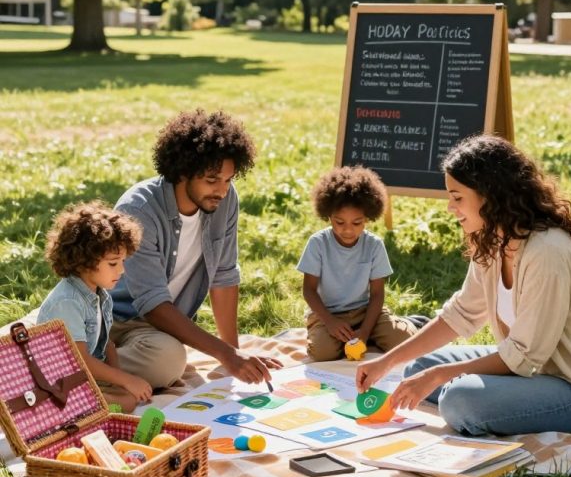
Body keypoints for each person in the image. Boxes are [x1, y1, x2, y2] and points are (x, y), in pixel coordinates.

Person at [356, 134, 571, 437]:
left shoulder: (546, 253)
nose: (450, 207)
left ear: (489, 195)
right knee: (416, 367)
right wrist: (387, 361)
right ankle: (495, 398)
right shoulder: (493, 239)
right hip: (530, 370)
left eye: (458, 197)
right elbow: (460, 314)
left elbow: (525, 356)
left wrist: (439, 376)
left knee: (459, 400)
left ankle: (491, 401)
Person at [110, 109, 281, 388]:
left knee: (168, 356)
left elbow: (224, 275)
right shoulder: (139, 210)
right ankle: (80, 366)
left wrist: (233, 352)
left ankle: (95, 363)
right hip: (117, 321)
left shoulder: (224, 200)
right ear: (182, 172)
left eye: (229, 179)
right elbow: (152, 304)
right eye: (212, 180)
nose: (222, 190)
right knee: (168, 362)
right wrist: (227, 355)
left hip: (156, 332)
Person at [38, 202, 153, 412]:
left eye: (123, 261)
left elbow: (106, 343)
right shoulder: (68, 302)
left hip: (85, 379)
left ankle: (97, 402)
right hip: (58, 385)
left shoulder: (101, 296)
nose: (121, 270)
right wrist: (126, 380)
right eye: (113, 263)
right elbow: (79, 359)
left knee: (128, 397)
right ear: (84, 260)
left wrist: (120, 382)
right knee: (126, 401)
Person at [298, 165, 420, 361]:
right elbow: (309, 290)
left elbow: (378, 294)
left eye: (357, 223)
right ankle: (357, 337)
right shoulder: (317, 243)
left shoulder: (374, 245)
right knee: (323, 353)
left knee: (405, 341)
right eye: (339, 222)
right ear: (328, 215)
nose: (348, 230)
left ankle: (409, 323)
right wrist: (330, 322)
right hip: (328, 314)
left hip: (366, 312)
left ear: (368, 218)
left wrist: (363, 332)